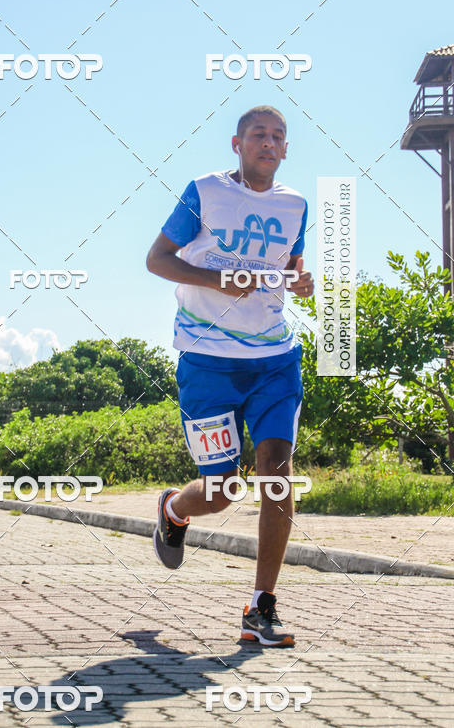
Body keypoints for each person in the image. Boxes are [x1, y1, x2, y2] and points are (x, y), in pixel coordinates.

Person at [146, 105, 314, 647]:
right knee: (222, 492)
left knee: (276, 471)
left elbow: (288, 266)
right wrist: (218, 279)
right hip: (208, 359)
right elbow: (157, 259)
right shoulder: (205, 192)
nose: (269, 143)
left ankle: (261, 606)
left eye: (278, 137)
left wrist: (300, 279)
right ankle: (174, 509)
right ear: (237, 143)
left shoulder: (295, 205)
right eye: (259, 135)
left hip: (275, 360)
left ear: (285, 150)